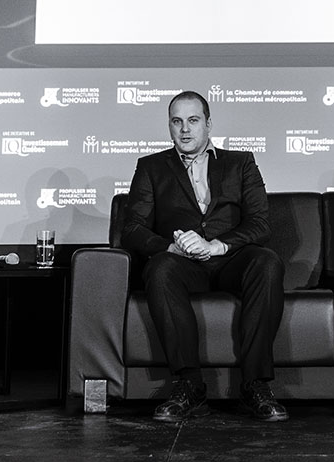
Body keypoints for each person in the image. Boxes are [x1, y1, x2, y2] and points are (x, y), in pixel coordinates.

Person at [121, 91, 288, 422]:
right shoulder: (151, 167)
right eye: (177, 121)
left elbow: (260, 223)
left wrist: (217, 245)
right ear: (169, 126)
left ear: (208, 124)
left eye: (193, 120)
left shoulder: (240, 162)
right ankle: (189, 385)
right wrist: (169, 247)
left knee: (267, 262)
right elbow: (133, 228)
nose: (185, 129)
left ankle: (255, 385)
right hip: (182, 262)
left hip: (230, 259)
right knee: (160, 268)